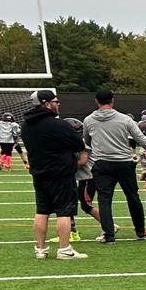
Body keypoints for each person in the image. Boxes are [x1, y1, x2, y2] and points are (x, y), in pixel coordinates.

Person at [23, 89, 86, 260]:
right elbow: (77, 144)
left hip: (39, 172)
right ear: (47, 103)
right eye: (56, 102)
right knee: (64, 212)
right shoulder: (58, 124)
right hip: (61, 173)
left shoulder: (26, 125)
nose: (58, 104)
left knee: (42, 211)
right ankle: (64, 249)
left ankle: (40, 249)